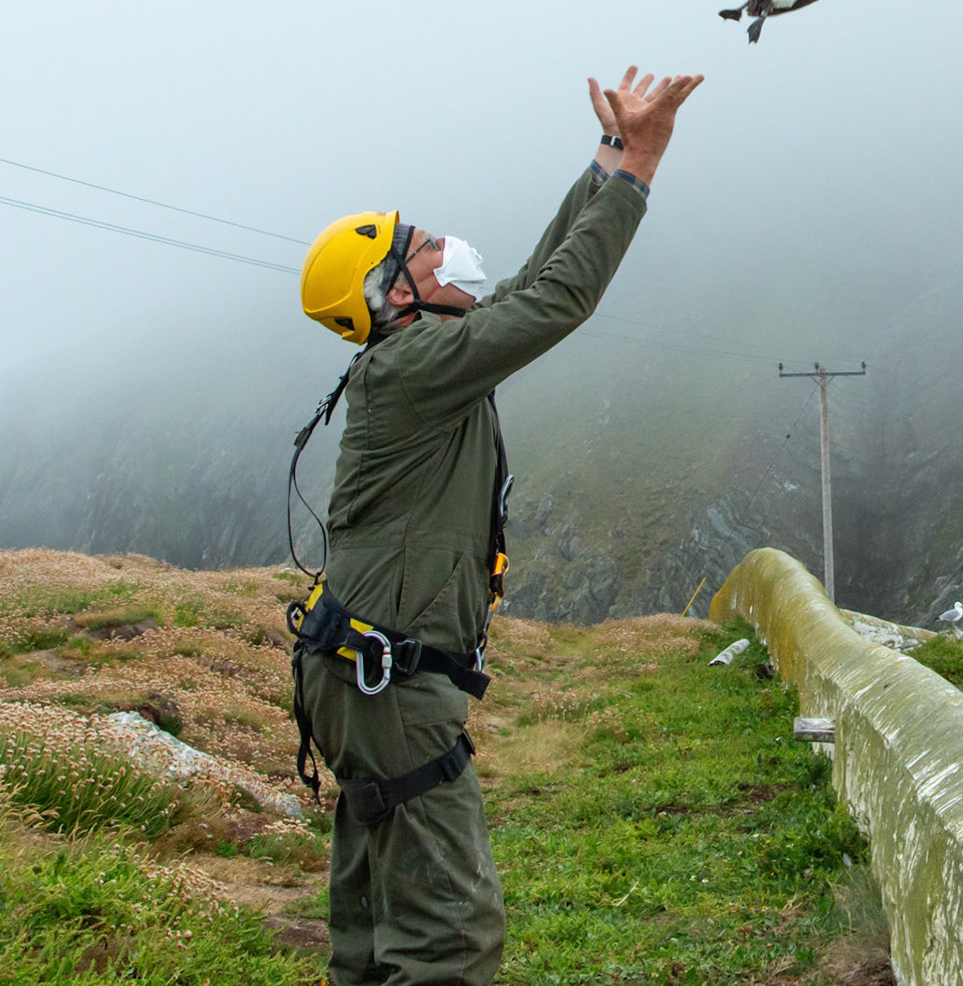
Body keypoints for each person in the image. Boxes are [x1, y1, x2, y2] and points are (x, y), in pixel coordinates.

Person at [290, 67, 702, 986]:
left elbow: (531, 284)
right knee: (448, 939)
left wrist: (604, 160)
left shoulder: (419, 358)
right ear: (396, 295)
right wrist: (642, 163)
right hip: (387, 678)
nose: (447, 248)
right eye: (425, 248)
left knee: (371, 933)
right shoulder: (415, 365)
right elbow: (558, 301)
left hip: (358, 670)